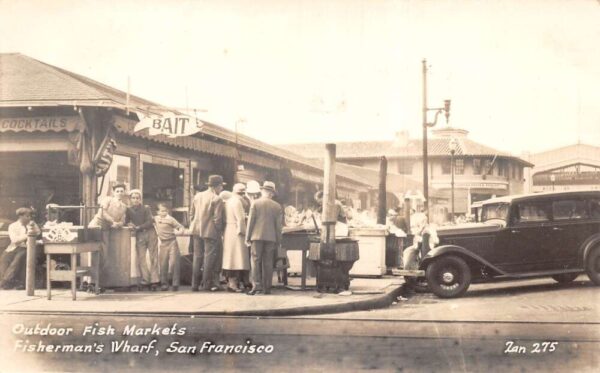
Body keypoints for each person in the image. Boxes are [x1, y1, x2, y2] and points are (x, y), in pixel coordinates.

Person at [245, 181, 283, 295]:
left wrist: (248, 237)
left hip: (256, 236)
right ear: (271, 193)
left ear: (262, 191)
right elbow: (278, 226)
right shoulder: (277, 206)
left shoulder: (255, 203)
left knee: (255, 261)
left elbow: (251, 222)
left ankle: (256, 286)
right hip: (271, 238)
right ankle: (267, 288)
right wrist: (278, 240)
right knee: (268, 262)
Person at [189, 175, 225, 291]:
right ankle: (206, 284)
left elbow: (191, 214)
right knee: (208, 258)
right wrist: (219, 231)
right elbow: (217, 219)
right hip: (210, 231)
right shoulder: (217, 199)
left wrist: (194, 224)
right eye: (221, 187)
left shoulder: (197, 196)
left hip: (196, 230)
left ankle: (194, 285)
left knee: (197, 257)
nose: (222, 189)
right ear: (217, 186)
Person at [126, 189, 159, 291]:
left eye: (137, 198)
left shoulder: (146, 208)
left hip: (150, 233)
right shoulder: (128, 210)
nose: (135, 200)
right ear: (130, 199)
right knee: (141, 258)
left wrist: (139, 227)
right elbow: (126, 221)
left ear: (140, 199)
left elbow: (150, 221)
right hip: (139, 235)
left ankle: (154, 280)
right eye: (133, 198)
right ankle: (145, 280)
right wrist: (129, 224)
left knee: (153, 257)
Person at [0, 208, 40, 290]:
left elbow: (38, 232)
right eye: (27, 216)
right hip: (14, 247)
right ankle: (8, 282)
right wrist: (28, 234)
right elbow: (15, 240)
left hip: (27, 248)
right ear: (20, 216)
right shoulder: (13, 226)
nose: (29, 218)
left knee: (18, 259)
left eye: (30, 216)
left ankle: (5, 281)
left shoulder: (31, 224)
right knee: (4, 258)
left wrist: (32, 226)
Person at [222, 183, 250, 292]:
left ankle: (233, 282)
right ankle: (234, 284)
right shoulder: (237, 202)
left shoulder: (228, 201)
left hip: (228, 230)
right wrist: (244, 232)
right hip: (236, 231)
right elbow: (240, 219)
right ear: (242, 193)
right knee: (238, 258)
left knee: (230, 258)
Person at [154, 203, 184, 291]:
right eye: (162, 211)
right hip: (163, 244)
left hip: (172, 242)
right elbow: (148, 221)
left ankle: (175, 283)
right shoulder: (155, 219)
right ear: (157, 212)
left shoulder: (171, 219)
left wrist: (180, 232)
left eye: (165, 211)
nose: (164, 213)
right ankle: (164, 284)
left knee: (174, 263)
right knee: (163, 264)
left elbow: (180, 227)